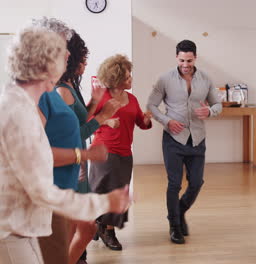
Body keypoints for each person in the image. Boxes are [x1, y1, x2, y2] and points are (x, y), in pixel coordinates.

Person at [0, 26, 130, 264]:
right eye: (62, 56)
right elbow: (40, 161)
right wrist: (85, 155)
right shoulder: (18, 106)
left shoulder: (31, 100)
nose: (67, 62)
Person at [147, 39, 222, 244]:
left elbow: (218, 104)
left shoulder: (205, 79)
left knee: (197, 182)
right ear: (176, 57)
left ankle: (178, 212)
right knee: (174, 183)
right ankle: (175, 226)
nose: (185, 65)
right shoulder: (165, 79)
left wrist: (210, 111)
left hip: (197, 138)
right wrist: (167, 121)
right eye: (182, 60)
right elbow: (151, 105)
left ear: (195, 57)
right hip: (173, 138)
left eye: (189, 60)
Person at [55, 31, 120, 264]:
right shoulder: (61, 90)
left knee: (83, 226)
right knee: (80, 227)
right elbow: (76, 134)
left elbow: (81, 120)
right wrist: (103, 117)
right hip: (72, 165)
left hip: (79, 164)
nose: (84, 65)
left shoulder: (71, 84)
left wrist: (95, 100)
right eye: (81, 60)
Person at [89, 54, 152, 251]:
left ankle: (100, 225)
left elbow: (140, 122)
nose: (131, 79)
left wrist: (147, 120)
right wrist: (106, 120)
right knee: (107, 191)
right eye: (127, 77)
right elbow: (85, 121)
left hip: (125, 153)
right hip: (104, 152)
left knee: (119, 192)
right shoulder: (101, 98)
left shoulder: (131, 99)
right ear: (116, 79)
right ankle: (108, 231)